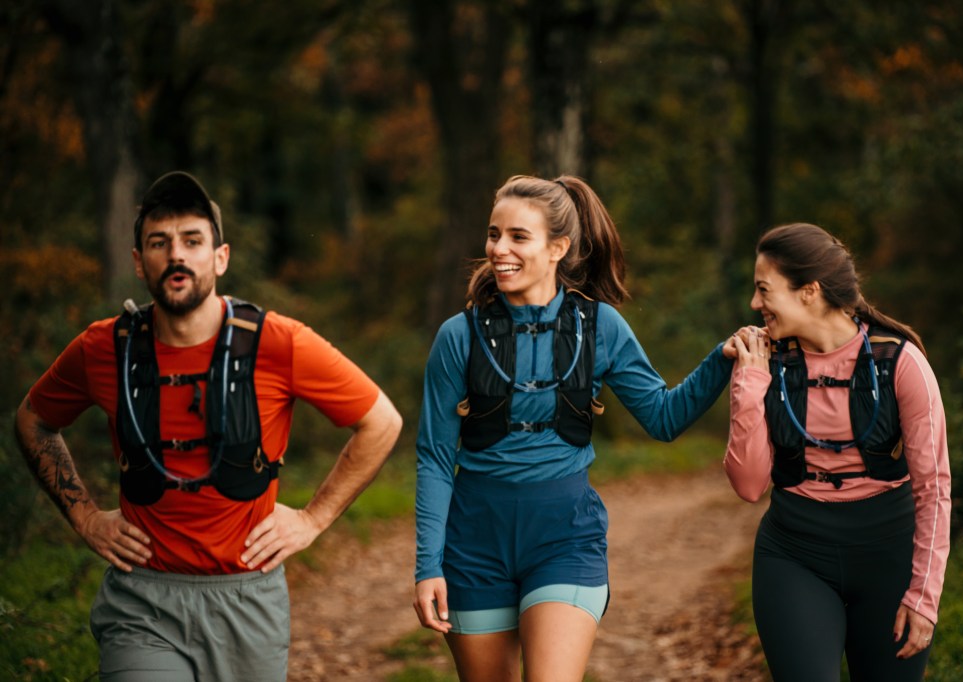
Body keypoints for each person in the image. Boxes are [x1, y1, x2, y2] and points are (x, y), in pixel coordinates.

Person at [14, 171, 402, 681]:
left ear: (219, 257)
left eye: (192, 240)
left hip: (247, 601)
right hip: (142, 600)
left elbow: (380, 421)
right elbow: (33, 420)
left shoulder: (279, 342)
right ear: (138, 262)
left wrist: (313, 519)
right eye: (160, 242)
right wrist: (85, 518)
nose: (177, 255)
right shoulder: (103, 347)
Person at [412, 174, 734, 681]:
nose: (499, 249)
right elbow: (433, 457)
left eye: (519, 237)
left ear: (558, 247)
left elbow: (664, 417)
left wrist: (722, 359)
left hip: (565, 538)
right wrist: (428, 565)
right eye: (494, 234)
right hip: (475, 543)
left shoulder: (600, 326)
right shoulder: (458, 335)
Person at [724, 222, 951, 681]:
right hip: (794, 554)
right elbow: (749, 486)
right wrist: (749, 383)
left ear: (808, 291)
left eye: (764, 290)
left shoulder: (902, 363)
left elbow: (934, 487)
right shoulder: (767, 364)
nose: (754, 304)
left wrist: (924, 597)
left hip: (889, 556)